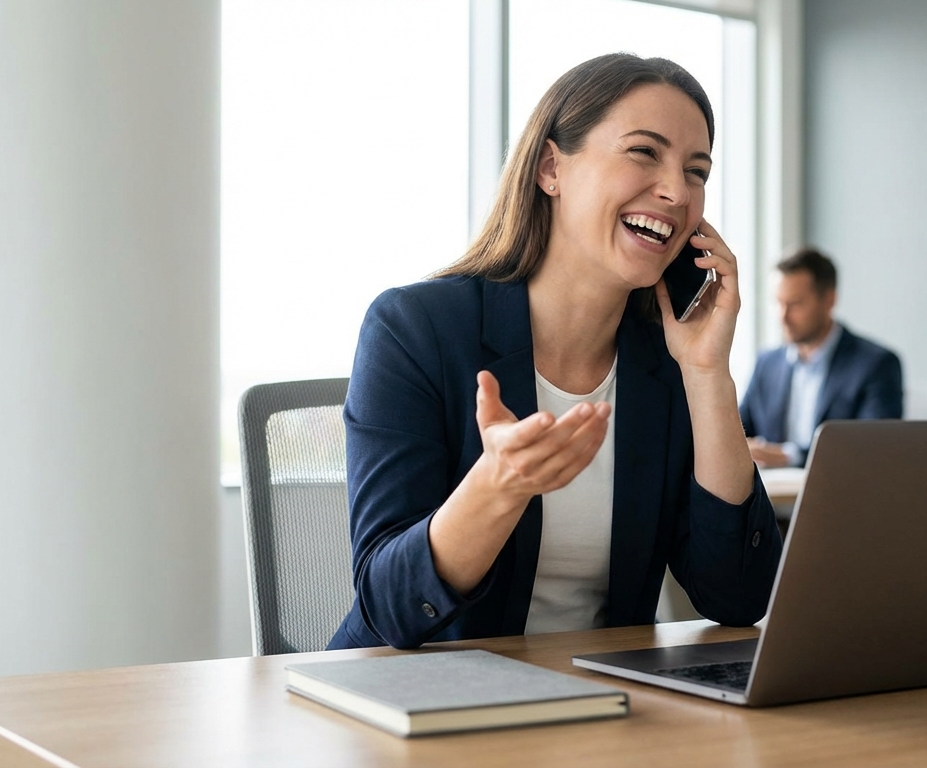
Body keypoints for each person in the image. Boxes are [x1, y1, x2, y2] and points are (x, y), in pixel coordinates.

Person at [327, 54, 783, 651]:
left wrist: (706, 374)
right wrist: (499, 486)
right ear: (550, 168)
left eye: (696, 171)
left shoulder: (665, 359)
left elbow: (740, 597)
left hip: (596, 708)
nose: (676, 191)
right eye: (644, 152)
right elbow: (390, 608)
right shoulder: (415, 329)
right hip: (420, 705)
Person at [739, 247, 903, 468]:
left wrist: (788, 456)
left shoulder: (876, 365)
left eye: (795, 304)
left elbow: (873, 450)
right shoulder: (767, 363)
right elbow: (739, 431)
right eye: (778, 302)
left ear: (829, 300)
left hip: (839, 497)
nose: (782, 317)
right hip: (768, 498)